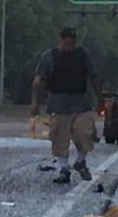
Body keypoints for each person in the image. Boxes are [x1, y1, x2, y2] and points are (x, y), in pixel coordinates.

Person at [31, 27, 101, 185]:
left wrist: (100, 98)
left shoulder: (83, 55)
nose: (68, 48)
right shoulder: (49, 56)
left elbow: (94, 76)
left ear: (75, 43)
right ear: (59, 41)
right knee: (59, 139)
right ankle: (63, 170)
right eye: (65, 45)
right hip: (58, 104)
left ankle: (80, 162)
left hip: (81, 104)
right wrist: (35, 102)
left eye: (71, 45)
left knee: (85, 134)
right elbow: (37, 81)